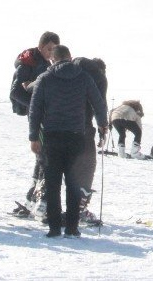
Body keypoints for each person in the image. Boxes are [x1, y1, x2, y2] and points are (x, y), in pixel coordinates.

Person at [28, 46, 107, 238]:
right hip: (76, 136)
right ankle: (72, 228)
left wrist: (33, 137)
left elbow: (35, 109)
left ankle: (54, 228)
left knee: (53, 184)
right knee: (73, 183)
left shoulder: (45, 78)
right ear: (70, 58)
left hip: (52, 137)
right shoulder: (84, 77)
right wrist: (103, 125)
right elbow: (98, 103)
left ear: (53, 60)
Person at [8, 31, 58, 218]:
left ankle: (32, 199)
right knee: (44, 157)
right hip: (39, 117)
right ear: (41, 46)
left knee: (42, 157)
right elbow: (14, 92)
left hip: (43, 117)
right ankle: (39, 200)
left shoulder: (45, 63)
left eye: (54, 50)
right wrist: (37, 106)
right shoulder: (28, 62)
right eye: (48, 49)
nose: (51, 53)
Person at [70, 56, 108, 224]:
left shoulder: (71, 74)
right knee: (87, 166)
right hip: (83, 129)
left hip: (58, 127)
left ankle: (42, 202)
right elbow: (100, 104)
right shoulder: (98, 77)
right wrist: (102, 130)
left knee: (56, 165)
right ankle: (79, 209)